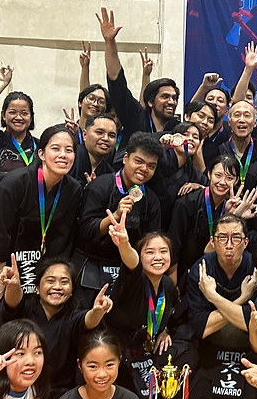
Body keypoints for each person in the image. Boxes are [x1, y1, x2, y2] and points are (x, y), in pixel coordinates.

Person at [186, 214, 257, 399]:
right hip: (211, 349)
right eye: (222, 238)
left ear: (245, 242)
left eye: (236, 238)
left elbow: (251, 324)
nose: (229, 245)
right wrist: (242, 297)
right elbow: (203, 327)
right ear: (213, 241)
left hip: (249, 350)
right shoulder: (200, 270)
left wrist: (212, 297)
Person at [0, 124, 82, 300]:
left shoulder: (73, 189)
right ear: (41, 154)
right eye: (55, 148)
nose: (63, 155)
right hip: (4, 263)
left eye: (69, 150)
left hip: (41, 264)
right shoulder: (14, 183)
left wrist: (52, 279)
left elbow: (63, 237)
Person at [0, 256, 111, 399]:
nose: (57, 286)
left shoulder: (73, 317)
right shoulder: (27, 309)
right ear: (37, 287)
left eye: (64, 282)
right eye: (50, 280)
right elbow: (13, 303)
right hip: (20, 390)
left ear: (72, 290)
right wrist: (13, 285)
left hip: (60, 397)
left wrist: (98, 311)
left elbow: (88, 319)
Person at [108, 218, 196, 399]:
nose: (158, 257)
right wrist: (124, 243)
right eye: (150, 252)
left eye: (164, 251)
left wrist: (164, 331)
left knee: (188, 352)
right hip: (121, 355)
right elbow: (131, 262)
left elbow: (165, 316)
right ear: (140, 257)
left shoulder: (167, 286)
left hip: (148, 352)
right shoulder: (133, 280)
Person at [77, 133, 163, 305]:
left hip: (127, 269)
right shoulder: (100, 187)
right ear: (125, 158)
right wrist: (114, 216)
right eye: (139, 161)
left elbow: (150, 240)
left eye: (151, 166)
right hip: (92, 266)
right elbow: (84, 230)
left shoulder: (151, 200)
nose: (144, 169)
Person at [97, 7, 179, 148]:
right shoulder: (135, 116)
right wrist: (109, 42)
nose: (171, 101)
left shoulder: (178, 129)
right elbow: (116, 80)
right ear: (150, 102)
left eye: (174, 98)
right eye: (165, 96)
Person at [168, 155, 241, 285]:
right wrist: (173, 285)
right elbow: (174, 246)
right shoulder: (187, 203)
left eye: (229, 178)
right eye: (218, 175)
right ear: (209, 174)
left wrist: (233, 215)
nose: (223, 182)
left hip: (219, 274)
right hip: (186, 273)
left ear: (236, 181)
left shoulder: (236, 208)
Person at [149, 121, 209, 229]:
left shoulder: (191, 171)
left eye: (195, 137)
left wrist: (200, 187)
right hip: (149, 219)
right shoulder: (160, 157)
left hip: (171, 226)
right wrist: (160, 146)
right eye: (185, 134)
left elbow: (212, 189)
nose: (190, 139)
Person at [209, 100, 257, 185]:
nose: (241, 120)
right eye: (237, 115)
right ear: (229, 122)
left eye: (247, 115)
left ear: (255, 123)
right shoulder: (218, 150)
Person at [71, 113, 118, 186]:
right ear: (85, 135)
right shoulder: (69, 158)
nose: (106, 138)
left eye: (111, 135)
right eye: (99, 132)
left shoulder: (111, 176)